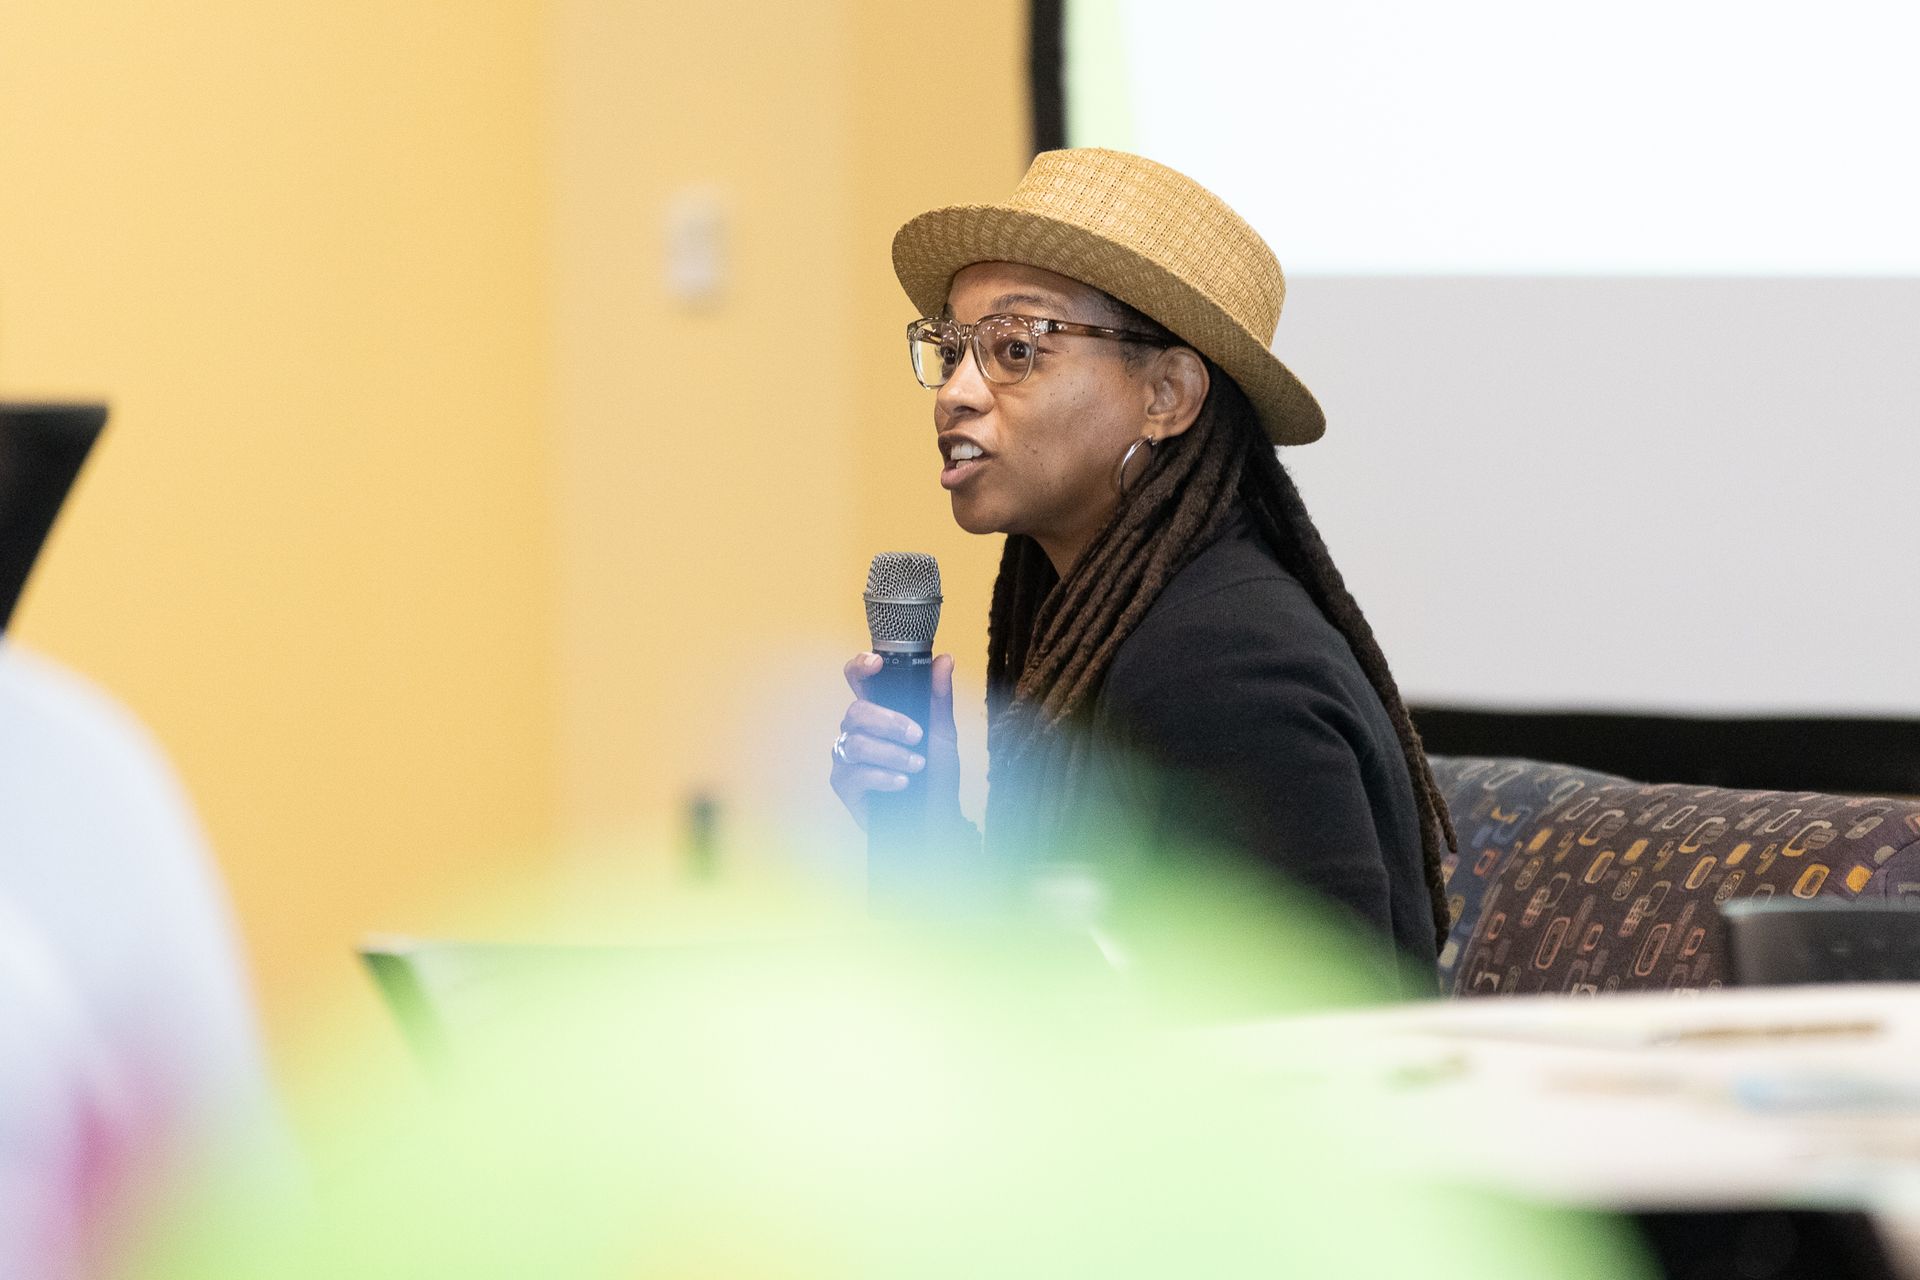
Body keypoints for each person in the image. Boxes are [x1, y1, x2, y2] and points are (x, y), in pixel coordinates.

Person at [829, 148, 1454, 991]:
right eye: (952, 351)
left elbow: (1311, 1044)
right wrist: (924, 825)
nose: (956, 393)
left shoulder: (1224, 665)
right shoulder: (1107, 627)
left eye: (1016, 349)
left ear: (1167, 396)